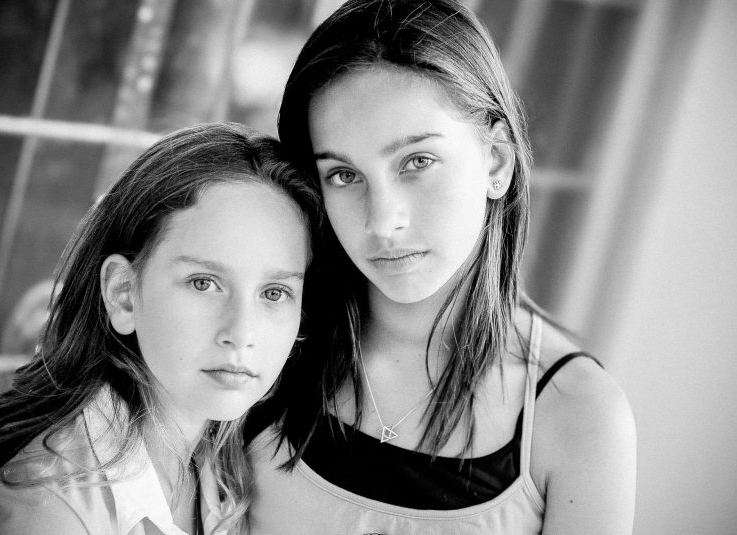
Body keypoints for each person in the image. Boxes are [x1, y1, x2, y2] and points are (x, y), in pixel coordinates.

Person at [245, 0, 636, 533]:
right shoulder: (264, 341)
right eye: (343, 175)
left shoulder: (576, 415)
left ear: (496, 159)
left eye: (417, 162)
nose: (382, 222)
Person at [0, 122, 320, 534]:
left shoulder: (230, 471)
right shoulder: (49, 510)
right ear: (123, 293)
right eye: (203, 283)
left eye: (274, 293)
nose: (242, 332)